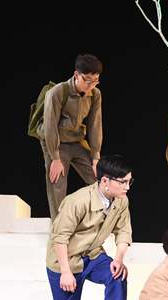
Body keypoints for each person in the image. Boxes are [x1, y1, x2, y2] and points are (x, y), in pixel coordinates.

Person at [46, 155, 138, 300]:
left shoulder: (121, 201)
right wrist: (66, 272)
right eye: (123, 182)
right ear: (105, 181)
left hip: (93, 255)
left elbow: (123, 232)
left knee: (118, 275)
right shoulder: (77, 201)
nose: (127, 187)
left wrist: (118, 259)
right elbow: (60, 238)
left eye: (129, 181)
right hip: (65, 261)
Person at [40, 54, 104, 219]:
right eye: (87, 80)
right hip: (56, 142)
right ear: (76, 75)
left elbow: (95, 126)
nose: (91, 85)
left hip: (76, 140)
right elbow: (50, 127)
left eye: (95, 81)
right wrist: (55, 158)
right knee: (57, 181)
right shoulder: (58, 92)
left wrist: (95, 156)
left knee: (99, 178)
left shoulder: (95, 94)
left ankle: (97, 220)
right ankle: (59, 225)